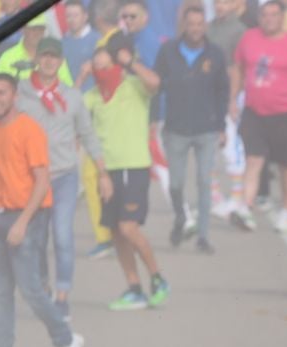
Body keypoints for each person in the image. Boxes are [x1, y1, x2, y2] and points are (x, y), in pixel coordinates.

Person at [0, 71, 83, 347]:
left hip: (28, 216)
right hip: (1, 214)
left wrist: (22, 222)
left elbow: (42, 181)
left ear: (15, 96)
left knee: (31, 289)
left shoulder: (28, 129)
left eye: (2, 92)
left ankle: (67, 341)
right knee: (0, 290)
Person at [15, 37, 108, 307]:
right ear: (37, 59)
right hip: (32, 180)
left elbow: (88, 135)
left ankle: (63, 295)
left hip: (64, 176)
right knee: (37, 240)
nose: (48, 61)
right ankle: (43, 284)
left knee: (63, 236)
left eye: (54, 56)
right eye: (44, 55)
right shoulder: (20, 93)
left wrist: (102, 172)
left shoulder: (72, 96)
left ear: (60, 61)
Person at [86, 34, 167, 310]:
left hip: (134, 167)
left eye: (106, 65)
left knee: (128, 227)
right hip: (107, 172)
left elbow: (155, 82)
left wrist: (129, 63)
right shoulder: (93, 96)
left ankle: (157, 277)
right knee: (116, 233)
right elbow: (70, 111)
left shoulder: (133, 85)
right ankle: (134, 288)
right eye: (96, 66)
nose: (101, 71)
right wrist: (83, 75)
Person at [228, 0, 287, 232]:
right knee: (253, 160)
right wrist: (233, 99)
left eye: (274, 15)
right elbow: (237, 67)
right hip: (254, 111)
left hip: (284, 113)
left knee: (286, 165)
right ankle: (246, 207)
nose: (269, 19)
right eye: (265, 15)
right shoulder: (249, 38)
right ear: (259, 17)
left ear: (282, 17)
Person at [154, 4, 227, 251]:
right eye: (191, 24)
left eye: (199, 24)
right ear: (184, 25)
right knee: (175, 184)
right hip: (175, 129)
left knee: (205, 182)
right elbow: (155, 86)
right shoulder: (168, 52)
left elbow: (222, 90)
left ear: (204, 25)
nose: (195, 28)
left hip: (206, 129)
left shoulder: (215, 54)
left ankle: (203, 237)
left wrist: (222, 125)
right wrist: (153, 120)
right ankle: (181, 218)